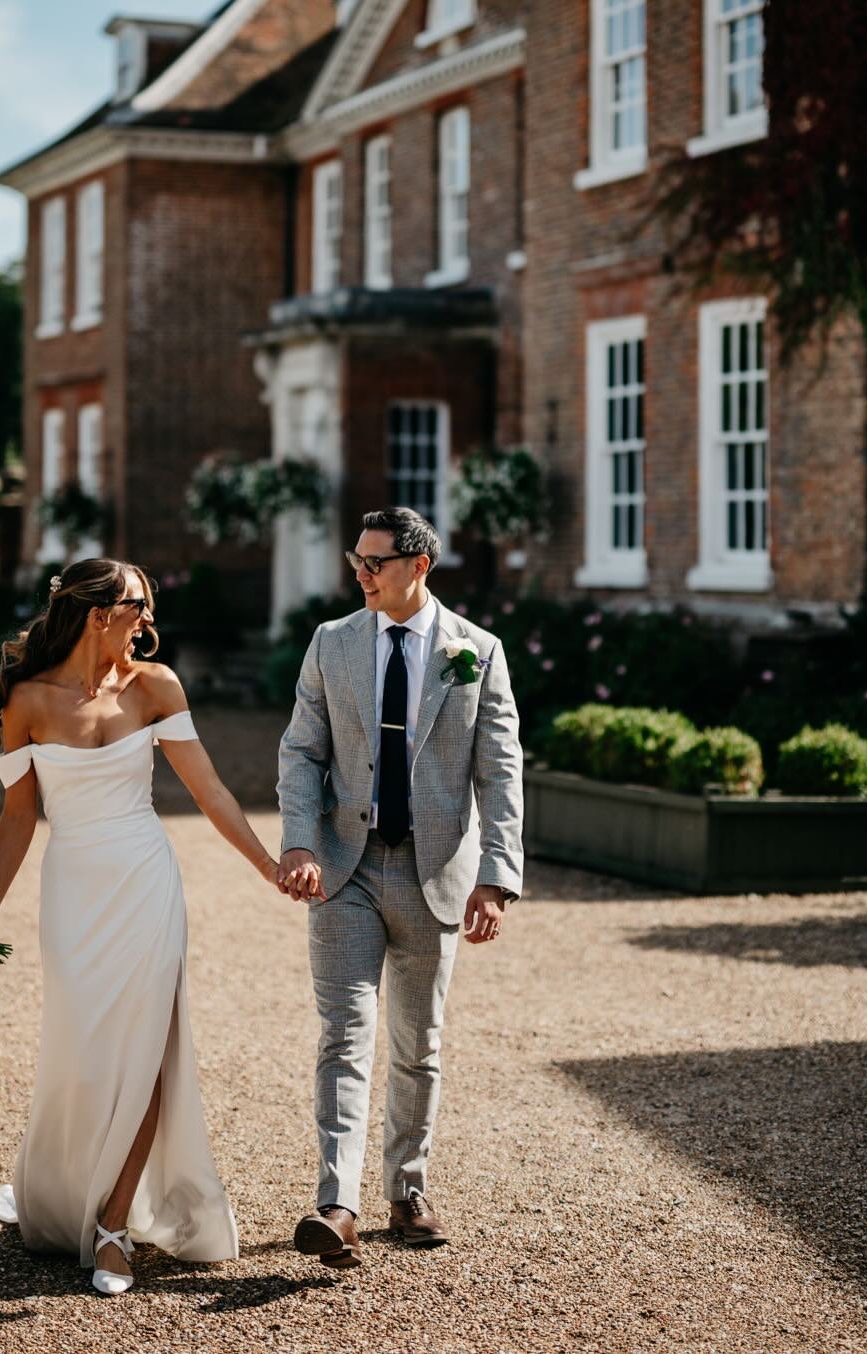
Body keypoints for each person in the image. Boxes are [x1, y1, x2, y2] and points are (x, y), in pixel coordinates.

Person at [0, 558, 284, 1296]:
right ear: (96, 611)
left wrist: (267, 867)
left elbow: (209, 790)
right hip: (74, 890)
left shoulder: (156, 685)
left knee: (147, 1053)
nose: (149, 617)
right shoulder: (27, 700)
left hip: (145, 882)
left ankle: (113, 1225)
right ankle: (68, 1190)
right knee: (81, 1054)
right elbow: (19, 818)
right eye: (138, 604)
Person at [277, 507, 524, 1268]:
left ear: (419, 567)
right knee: (344, 1036)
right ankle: (338, 1202)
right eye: (357, 560)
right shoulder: (332, 642)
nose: (360, 574)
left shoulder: (476, 652)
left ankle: (407, 1190)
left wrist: (496, 876)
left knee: (419, 1044)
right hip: (345, 870)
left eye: (375, 563)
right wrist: (299, 840)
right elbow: (300, 752)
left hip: (433, 874)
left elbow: (501, 768)